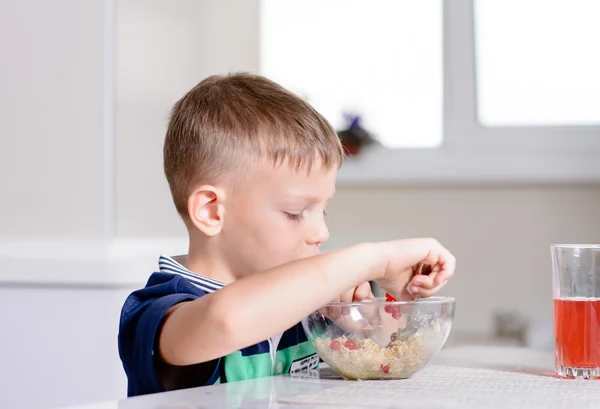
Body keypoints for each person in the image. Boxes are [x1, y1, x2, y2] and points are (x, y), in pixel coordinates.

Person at [118, 73, 455, 396]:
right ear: (210, 211)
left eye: (323, 210)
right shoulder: (159, 312)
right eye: (295, 212)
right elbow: (225, 321)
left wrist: (358, 320)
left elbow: (381, 349)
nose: (321, 232)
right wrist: (373, 259)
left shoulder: (308, 308)